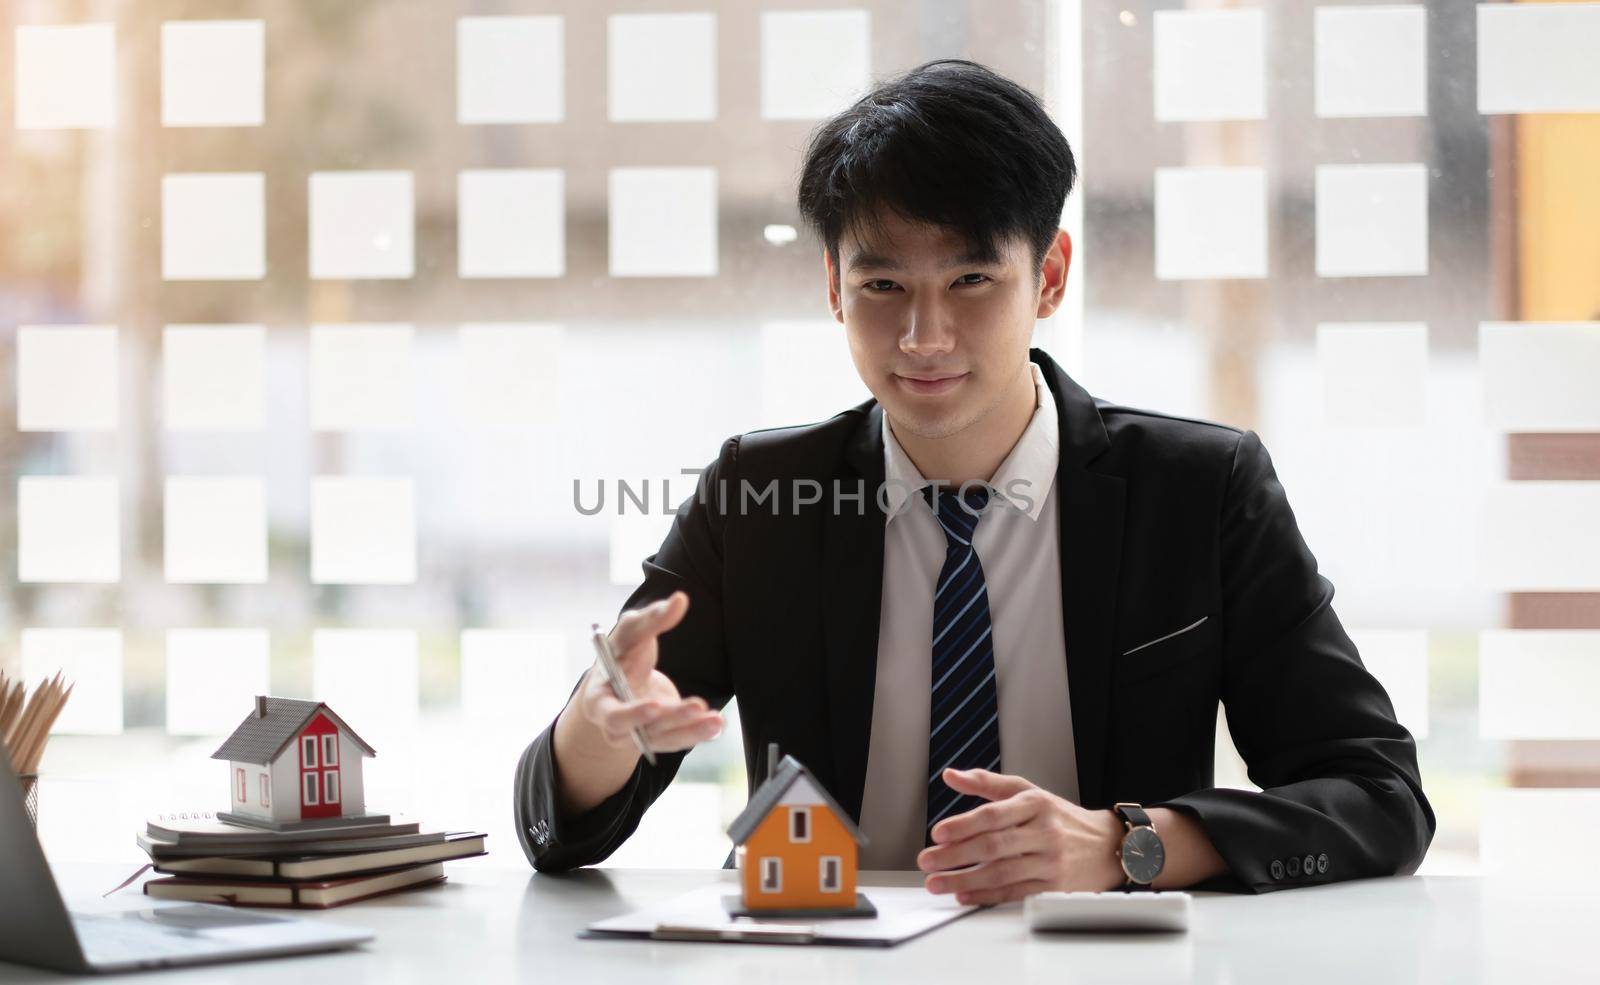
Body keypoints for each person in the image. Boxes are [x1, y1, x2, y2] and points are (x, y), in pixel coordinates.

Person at [514, 59, 1433, 902]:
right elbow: (559, 832)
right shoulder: (757, 494)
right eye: (883, 288)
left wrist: (1128, 843)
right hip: (824, 959)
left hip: (1096, 962)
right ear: (833, 285)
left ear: (1052, 276)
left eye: (969, 280)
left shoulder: (1200, 489)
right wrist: (595, 733)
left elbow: (1380, 797)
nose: (924, 336)